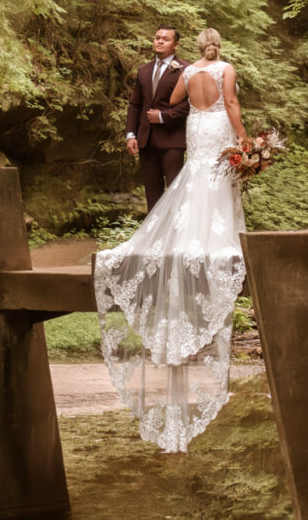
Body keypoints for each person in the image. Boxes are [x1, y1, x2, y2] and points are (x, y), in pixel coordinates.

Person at [94, 27, 248, 453]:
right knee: (217, 181)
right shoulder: (225, 70)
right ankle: (218, 239)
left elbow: (174, 102)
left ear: (194, 47)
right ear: (221, 45)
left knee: (194, 181)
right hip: (217, 124)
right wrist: (241, 137)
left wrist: (186, 107)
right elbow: (231, 102)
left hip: (197, 129)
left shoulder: (189, 72)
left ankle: (184, 235)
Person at [125, 26, 191, 211]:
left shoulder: (186, 70)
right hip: (146, 140)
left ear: (176, 44)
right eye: (157, 38)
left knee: (175, 192)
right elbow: (135, 105)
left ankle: (176, 234)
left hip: (173, 141)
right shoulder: (143, 70)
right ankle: (154, 238)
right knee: (152, 194)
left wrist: (163, 117)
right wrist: (131, 134)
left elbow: (190, 104)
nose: (160, 41)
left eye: (166, 39)